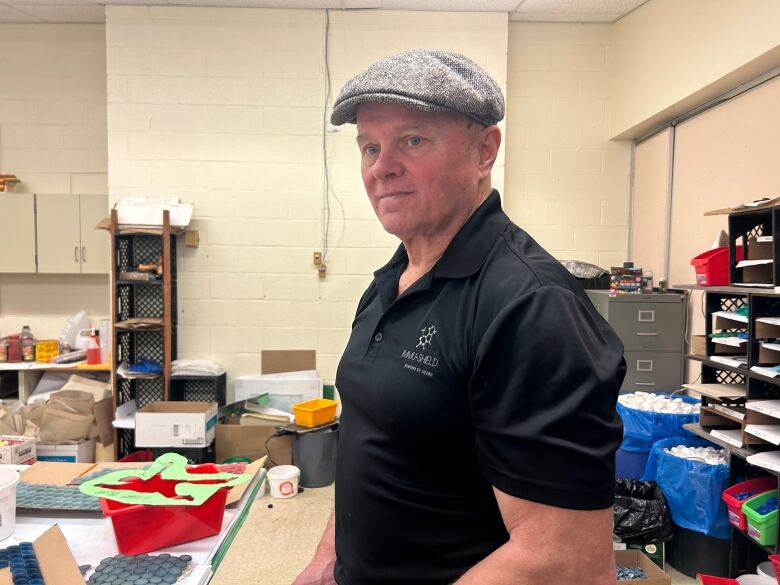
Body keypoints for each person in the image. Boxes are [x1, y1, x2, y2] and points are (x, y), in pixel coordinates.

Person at [292, 49, 625, 585]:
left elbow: (566, 562)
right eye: (370, 147)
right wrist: (327, 558)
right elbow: (369, 440)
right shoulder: (392, 281)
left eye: (412, 140)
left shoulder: (530, 307)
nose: (382, 166)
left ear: (484, 151)